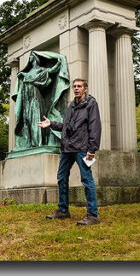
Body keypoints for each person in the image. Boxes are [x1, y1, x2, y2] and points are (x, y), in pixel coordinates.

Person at [41, 77, 101, 226]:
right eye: (74, 86)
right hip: (67, 148)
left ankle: (93, 214)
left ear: (85, 89)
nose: (76, 88)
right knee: (61, 177)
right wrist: (51, 124)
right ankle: (63, 210)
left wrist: (92, 149)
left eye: (79, 86)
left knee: (87, 180)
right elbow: (66, 126)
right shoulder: (71, 106)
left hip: (82, 149)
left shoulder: (91, 104)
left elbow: (95, 127)